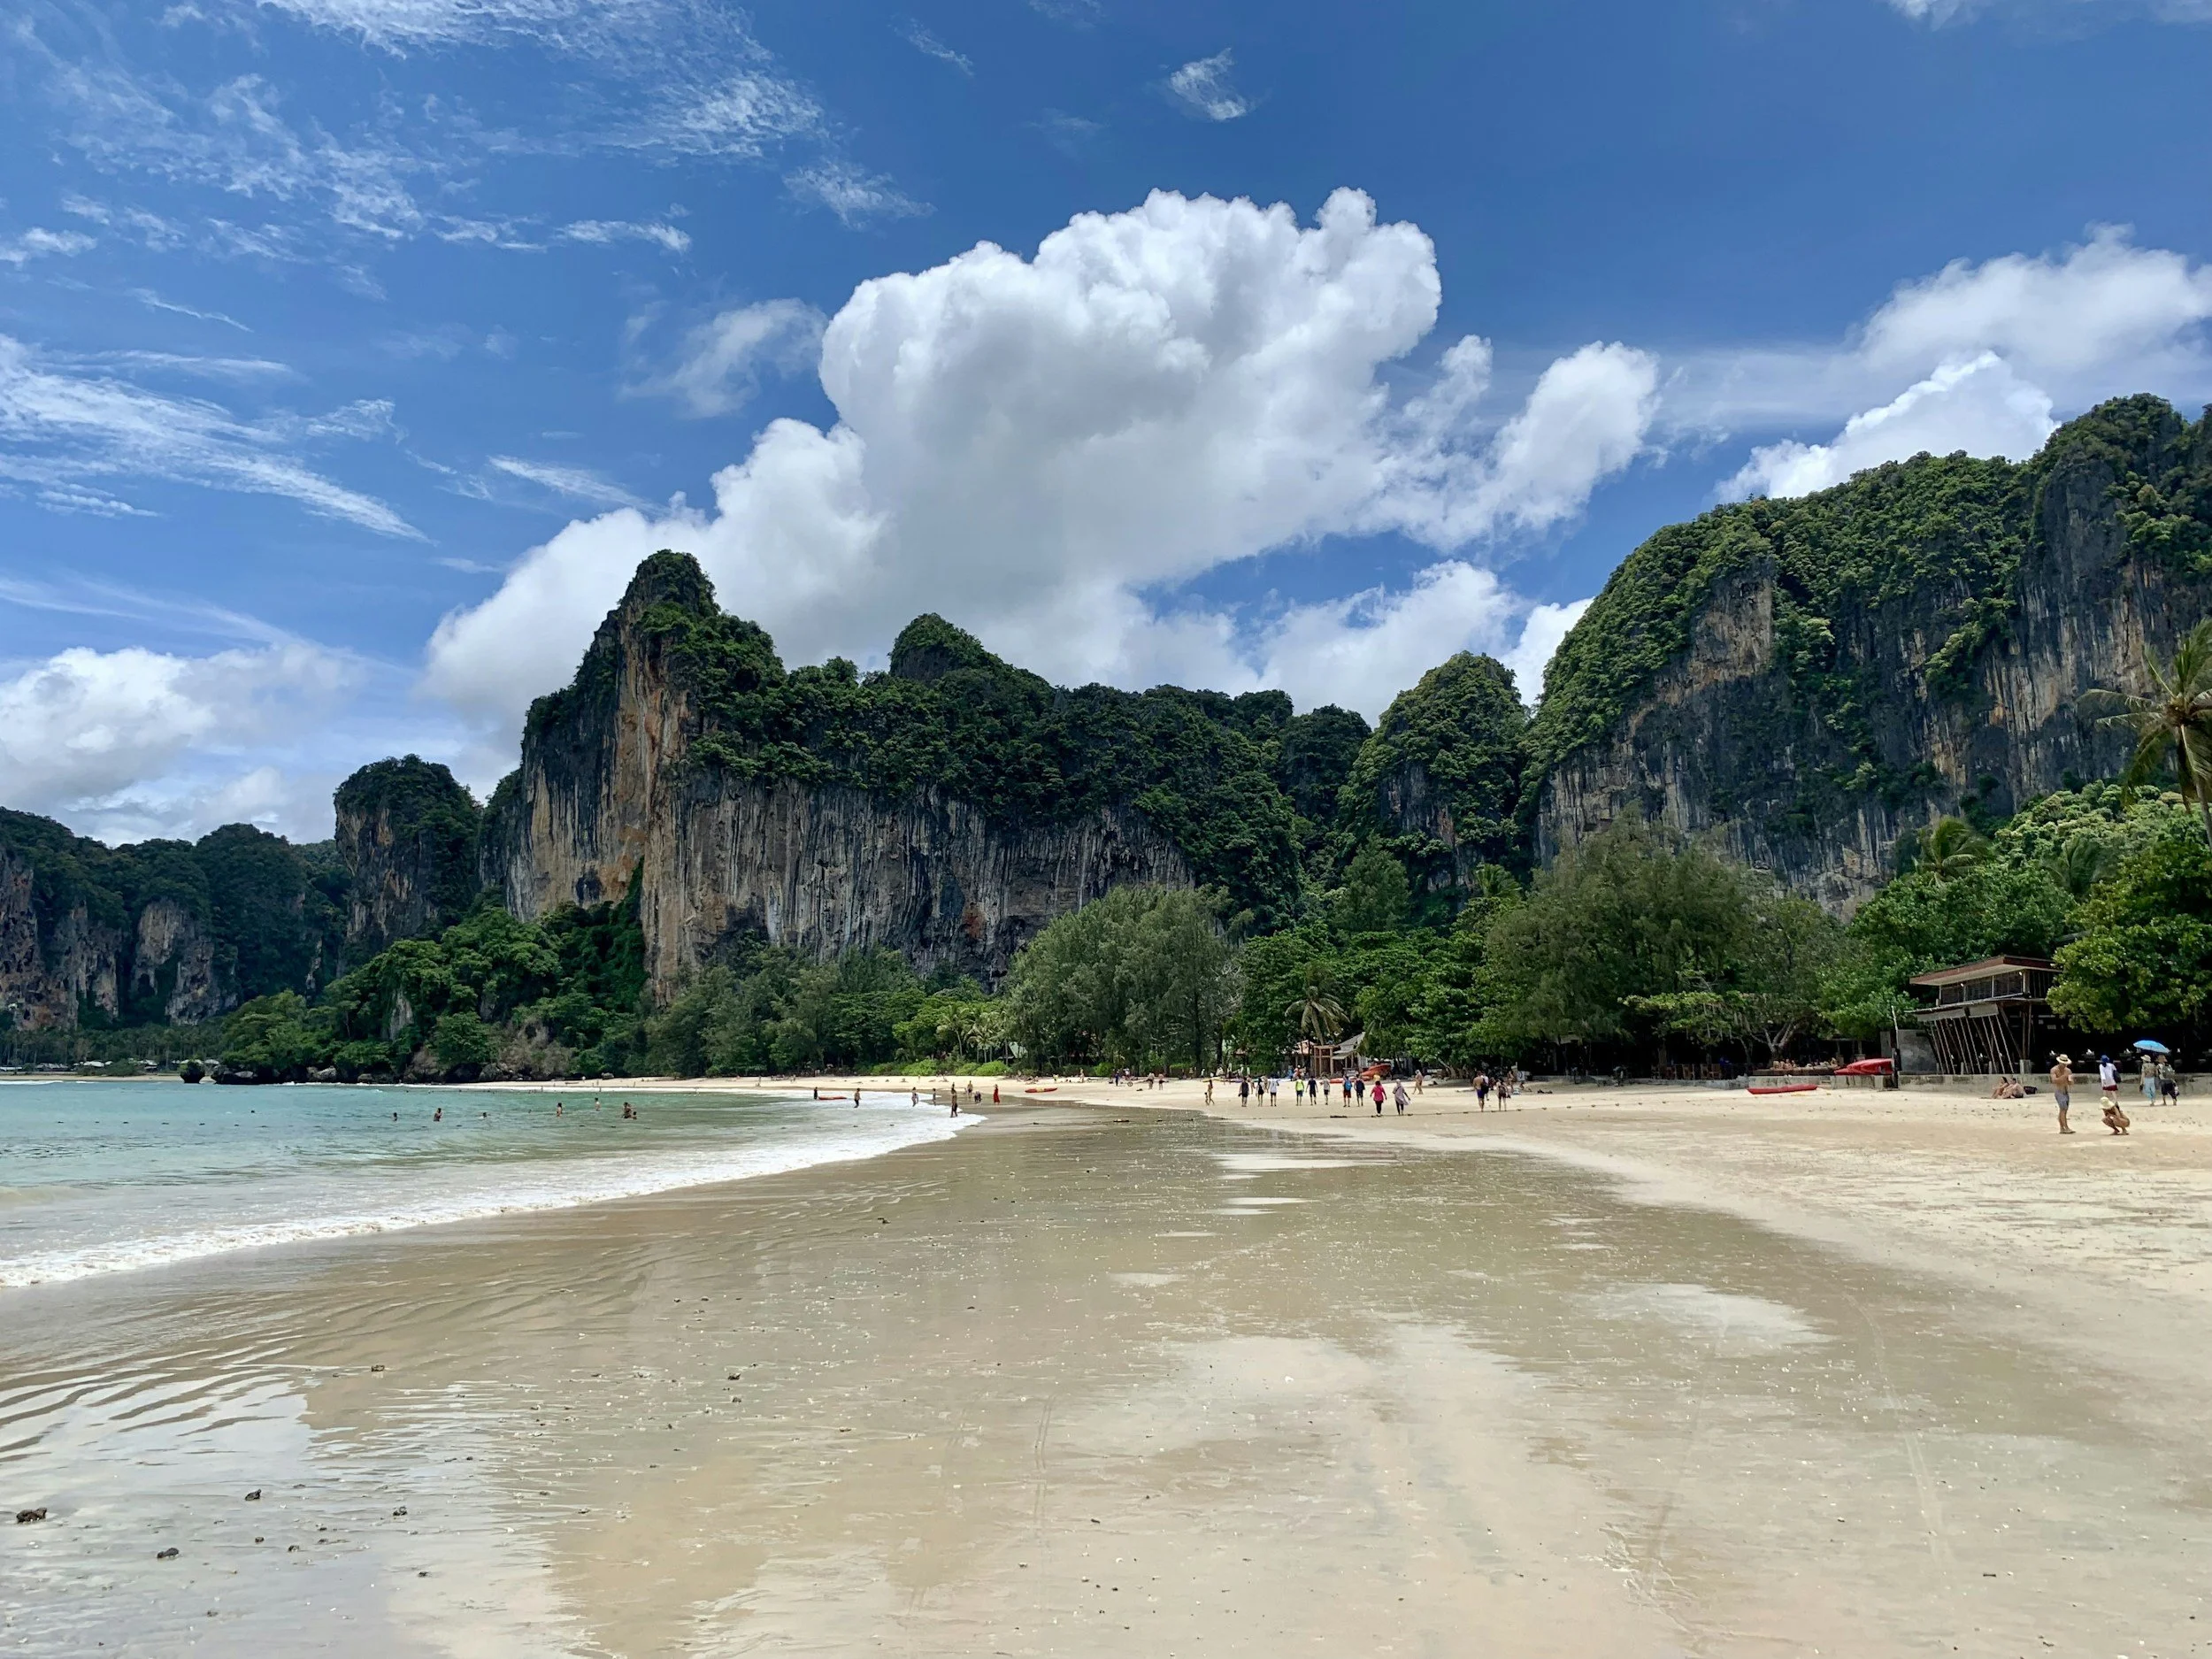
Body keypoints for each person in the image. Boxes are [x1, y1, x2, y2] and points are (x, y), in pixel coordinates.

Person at [2049, 1055, 2075, 1133]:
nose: (2064, 1065)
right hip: (2059, 1091)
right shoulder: (2054, 1070)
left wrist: (2070, 1081)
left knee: (2063, 1110)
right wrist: (2064, 1077)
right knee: (2063, 1110)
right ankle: (2066, 1127)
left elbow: (2070, 1082)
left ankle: (2062, 1128)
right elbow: (2054, 1080)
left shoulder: (2068, 1071)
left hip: (2065, 1091)